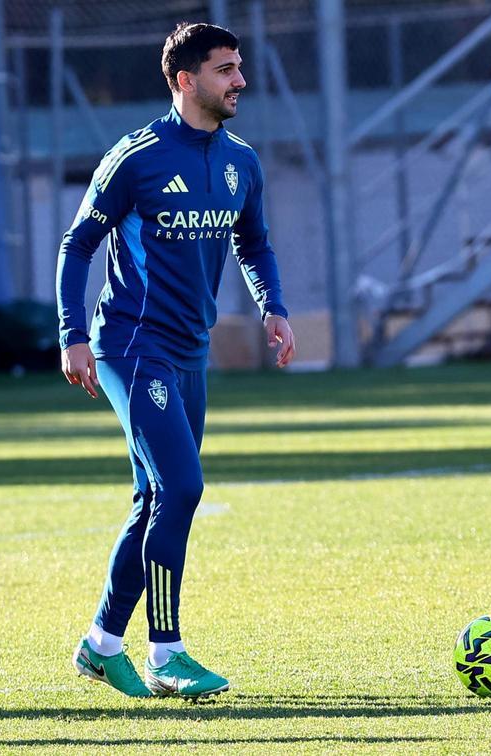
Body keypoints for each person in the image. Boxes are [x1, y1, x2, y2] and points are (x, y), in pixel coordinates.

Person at [56, 21, 295, 700]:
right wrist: (72, 335)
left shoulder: (240, 162)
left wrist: (272, 305)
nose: (240, 80)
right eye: (226, 70)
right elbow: (78, 247)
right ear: (186, 81)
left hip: (190, 352)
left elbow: (255, 242)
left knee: (153, 499)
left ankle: (101, 645)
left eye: (239, 67)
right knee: (182, 490)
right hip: (132, 347)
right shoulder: (138, 158)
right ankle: (166, 653)